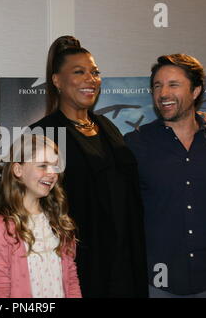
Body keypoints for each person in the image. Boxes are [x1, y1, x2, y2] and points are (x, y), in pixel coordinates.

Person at [30, 36, 148, 297]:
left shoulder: (109, 128)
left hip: (125, 262)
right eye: (79, 72)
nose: (90, 78)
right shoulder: (43, 134)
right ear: (57, 81)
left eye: (95, 72)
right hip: (80, 267)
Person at [124, 54, 206, 298]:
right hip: (159, 281)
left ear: (196, 91)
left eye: (173, 85)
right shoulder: (135, 144)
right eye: (157, 85)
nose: (163, 93)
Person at [0, 134, 81, 298]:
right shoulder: (0, 226)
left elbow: (71, 279)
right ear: (18, 169)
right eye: (42, 165)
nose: (52, 173)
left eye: (55, 167)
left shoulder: (58, 221)